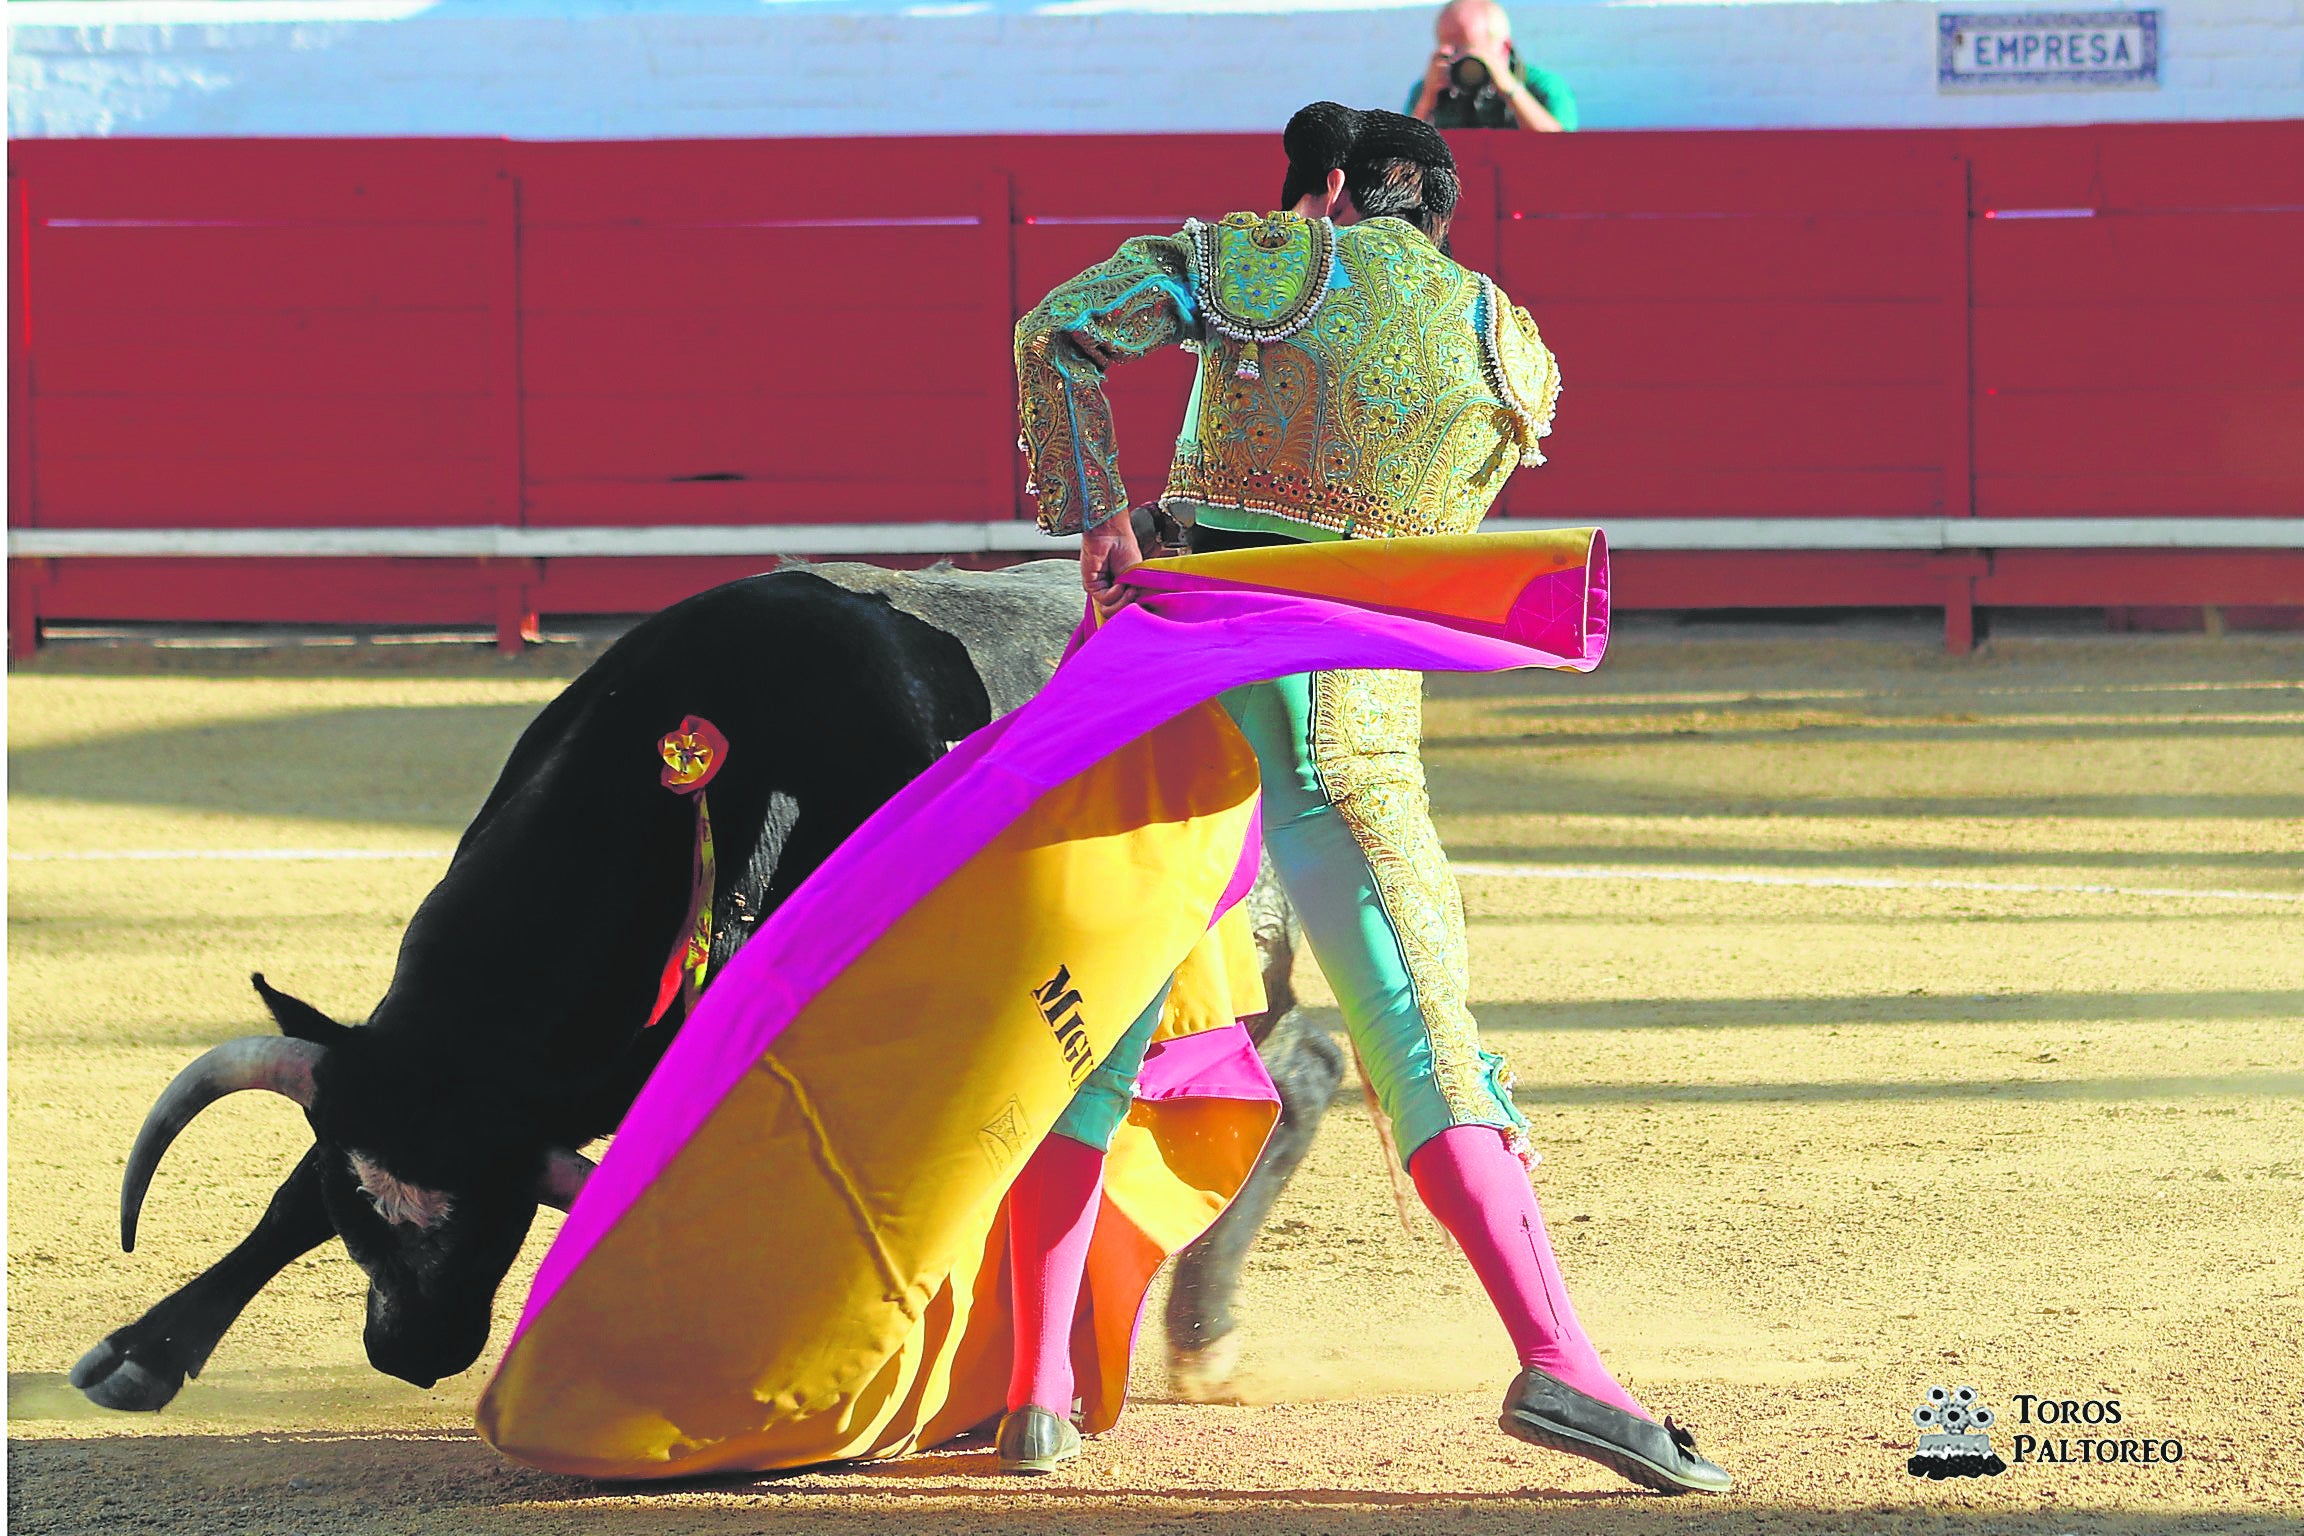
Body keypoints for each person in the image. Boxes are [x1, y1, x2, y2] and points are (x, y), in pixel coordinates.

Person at [1006, 103, 1727, 1494]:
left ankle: (1035, 1394)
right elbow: (1396, 532)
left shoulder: (1266, 262)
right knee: (1423, 1039)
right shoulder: (1509, 350)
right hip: (1346, 733)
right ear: (1440, 218)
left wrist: (1109, 513)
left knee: (1095, 1024)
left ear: (1329, 191)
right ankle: (1560, 1362)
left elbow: (1059, 329)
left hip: (1165, 697)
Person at [1406, 0, 1578, 134]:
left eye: (1466, 49)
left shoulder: (1543, 87)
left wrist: (1511, 90)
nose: (1456, 59)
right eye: (1447, 49)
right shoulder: (1428, 90)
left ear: (1504, 48)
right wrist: (1426, 101)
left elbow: (1562, 148)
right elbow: (1398, 159)